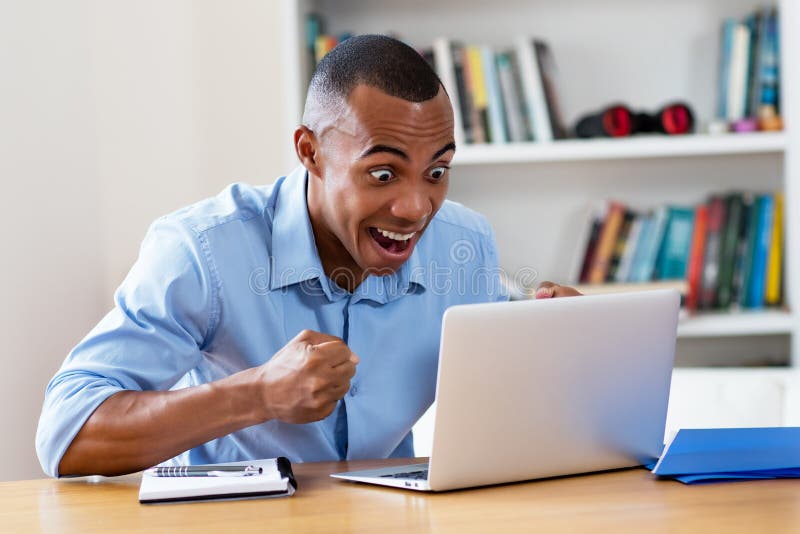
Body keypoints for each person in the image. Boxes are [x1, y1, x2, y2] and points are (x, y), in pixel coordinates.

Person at [36, 35, 579, 477]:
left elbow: (496, 417)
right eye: (383, 173)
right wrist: (257, 394)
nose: (417, 208)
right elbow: (67, 433)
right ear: (310, 152)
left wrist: (558, 350)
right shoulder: (202, 251)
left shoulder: (466, 245)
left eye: (436, 172)